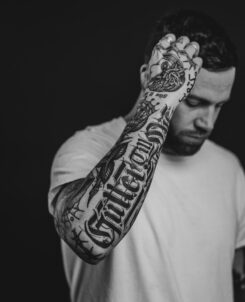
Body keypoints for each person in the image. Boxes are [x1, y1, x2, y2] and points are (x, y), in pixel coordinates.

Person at [48, 9, 245, 302]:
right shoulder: (84, 149)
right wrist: (161, 99)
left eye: (218, 106)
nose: (208, 122)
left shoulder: (228, 167)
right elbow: (90, 239)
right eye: (193, 102)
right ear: (149, 79)